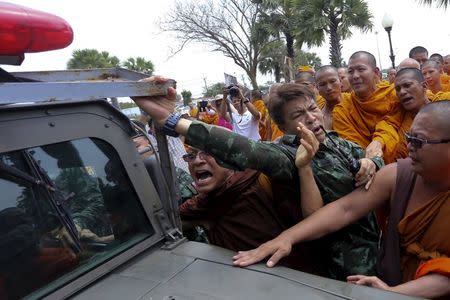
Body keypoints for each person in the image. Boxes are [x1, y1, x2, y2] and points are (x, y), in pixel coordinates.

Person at [132, 77, 383, 280]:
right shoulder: (286, 155)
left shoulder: (342, 144)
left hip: (379, 251)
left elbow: (376, 164)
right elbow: (242, 148)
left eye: (312, 109)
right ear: (283, 127)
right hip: (343, 271)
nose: (311, 118)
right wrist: (173, 120)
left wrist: (371, 162)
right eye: (298, 115)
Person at [233, 101, 450, 299]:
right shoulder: (398, 175)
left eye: (419, 141)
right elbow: (345, 208)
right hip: (393, 278)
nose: (410, 146)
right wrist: (286, 238)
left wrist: (393, 294)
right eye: (409, 138)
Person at [332, 51, 402, 163]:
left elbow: (392, 123)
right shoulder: (342, 110)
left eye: (361, 69)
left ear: (376, 72)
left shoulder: (394, 95)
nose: (355, 76)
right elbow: (351, 147)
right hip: (364, 167)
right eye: (350, 71)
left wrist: (379, 141)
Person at [394, 68, 430, 159]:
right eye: (398, 89)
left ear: (424, 86)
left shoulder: (444, 112)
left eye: (407, 85)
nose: (402, 92)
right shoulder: (398, 120)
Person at [315, 66, 351, 130]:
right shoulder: (317, 113)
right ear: (317, 88)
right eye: (322, 84)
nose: (329, 88)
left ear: (340, 81)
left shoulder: (354, 103)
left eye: (332, 81)